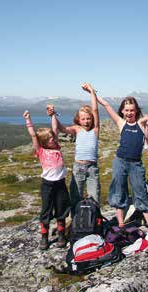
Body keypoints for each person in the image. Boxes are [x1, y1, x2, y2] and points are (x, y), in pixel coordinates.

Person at [96, 95, 148, 233]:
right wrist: (93, 92)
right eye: (126, 110)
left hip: (136, 164)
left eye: (132, 110)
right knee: (119, 190)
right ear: (122, 111)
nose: (129, 113)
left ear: (136, 111)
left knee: (140, 191)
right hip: (120, 161)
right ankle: (121, 224)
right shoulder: (121, 123)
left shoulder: (141, 124)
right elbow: (106, 105)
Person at [47, 83, 100, 215]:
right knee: (75, 196)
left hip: (92, 168)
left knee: (95, 196)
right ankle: (76, 221)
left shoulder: (95, 129)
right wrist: (53, 115)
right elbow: (62, 129)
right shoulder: (77, 129)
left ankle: (94, 221)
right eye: (83, 119)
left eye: (88, 118)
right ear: (79, 119)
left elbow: (95, 109)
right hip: (79, 167)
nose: (86, 121)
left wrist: (92, 92)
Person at [23, 109, 70, 250]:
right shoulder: (41, 151)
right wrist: (28, 120)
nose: (53, 139)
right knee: (46, 210)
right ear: (43, 142)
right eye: (50, 138)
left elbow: (54, 128)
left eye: (53, 137)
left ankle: (61, 235)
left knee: (61, 209)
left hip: (60, 184)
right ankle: (44, 238)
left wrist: (53, 115)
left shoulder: (57, 147)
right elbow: (33, 135)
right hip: (47, 185)